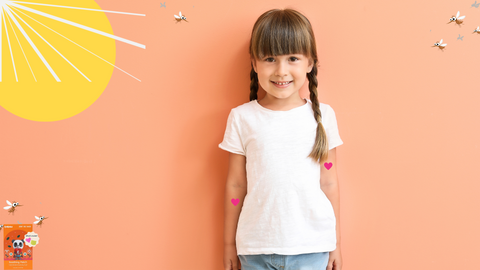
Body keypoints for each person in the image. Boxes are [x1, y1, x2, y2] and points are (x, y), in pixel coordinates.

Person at [219, 8, 344, 270]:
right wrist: (229, 244)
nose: (281, 70)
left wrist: (336, 243)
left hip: (312, 247)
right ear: (254, 63)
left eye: (293, 58)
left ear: (310, 63)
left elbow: (329, 181)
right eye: (270, 59)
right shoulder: (242, 118)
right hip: (255, 249)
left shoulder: (323, 117)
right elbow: (235, 187)